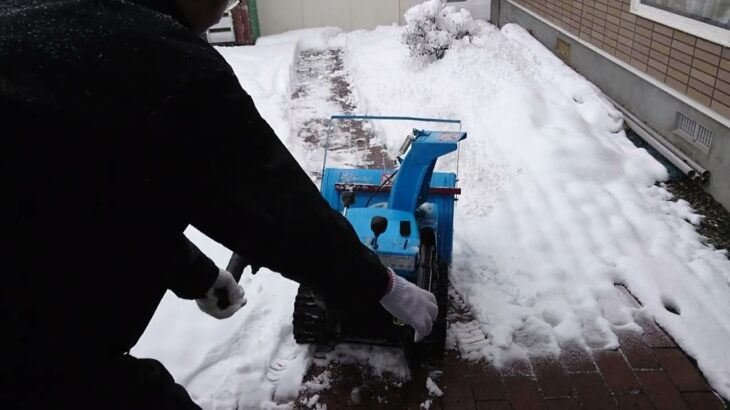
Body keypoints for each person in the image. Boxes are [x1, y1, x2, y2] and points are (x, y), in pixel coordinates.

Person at [0, 0, 438, 408]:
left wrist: (196, 275)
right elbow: (277, 209)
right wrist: (383, 285)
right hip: (43, 359)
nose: (218, 16)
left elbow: (93, 203)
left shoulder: (31, 18)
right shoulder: (162, 61)